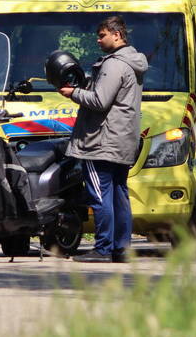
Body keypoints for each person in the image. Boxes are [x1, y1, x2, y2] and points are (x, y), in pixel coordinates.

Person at [58, 16, 148, 263]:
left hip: (102, 142)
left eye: (102, 35)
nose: (98, 40)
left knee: (100, 195)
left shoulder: (114, 64)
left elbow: (99, 101)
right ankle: (121, 249)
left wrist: (73, 93)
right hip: (121, 140)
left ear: (117, 35)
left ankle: (104, 248)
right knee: (119, 194)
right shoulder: (131, 62)